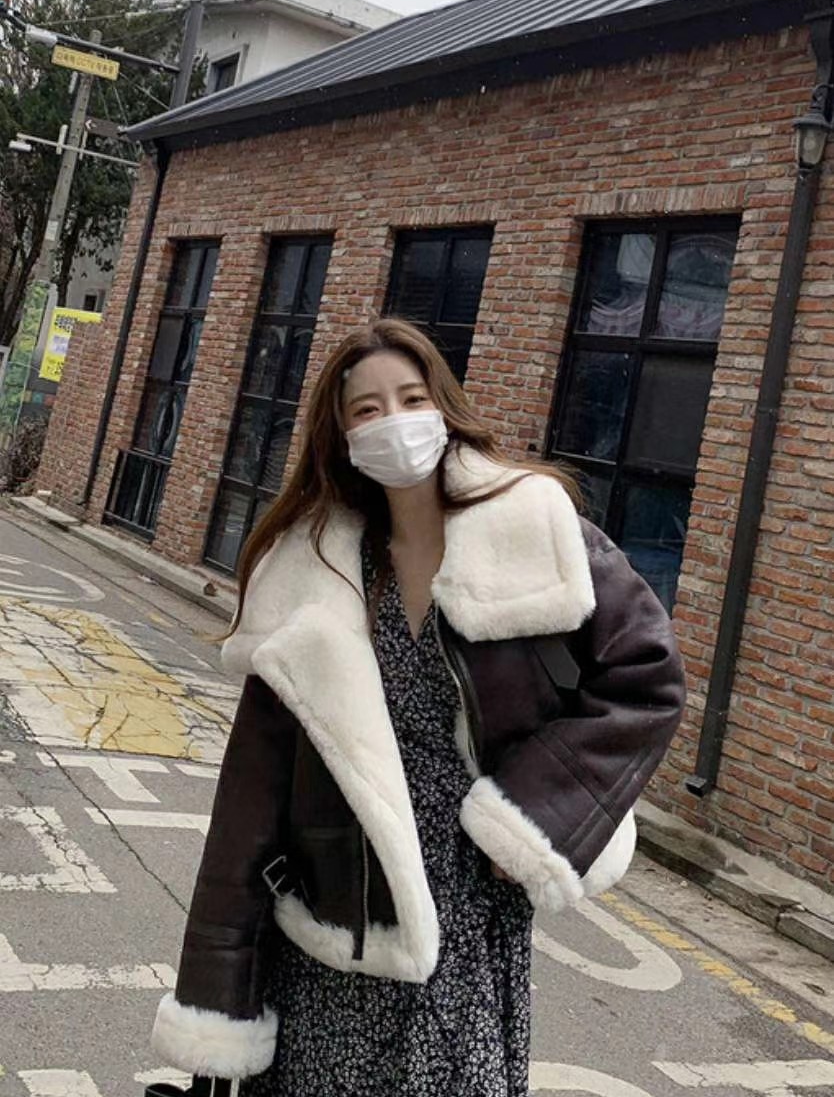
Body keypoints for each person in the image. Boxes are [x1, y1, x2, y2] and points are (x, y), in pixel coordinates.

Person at [150, 318, 685, 1097]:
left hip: (473, 908)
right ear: (341, 436)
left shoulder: (533, 527)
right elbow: (251, 802)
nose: (393, 421)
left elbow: (646, 676)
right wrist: (217, 1006)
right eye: (366, 410)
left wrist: (531, 818)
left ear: (444, 407)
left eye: (410, 397)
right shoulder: (311, 571)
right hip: (338, 925)